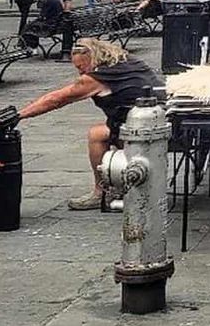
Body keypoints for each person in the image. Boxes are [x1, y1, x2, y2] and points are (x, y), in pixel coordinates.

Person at [17, 37, 163, 211]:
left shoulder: (96, 78)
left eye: (80, 67)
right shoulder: (127, 61)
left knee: (96, 136)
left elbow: (56, 99)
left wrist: (20, 115)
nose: (80, 72)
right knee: (99, 132)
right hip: (162, 117)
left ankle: (100, 192)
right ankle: (114, 184)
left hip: (143, 127)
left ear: (91, 58)